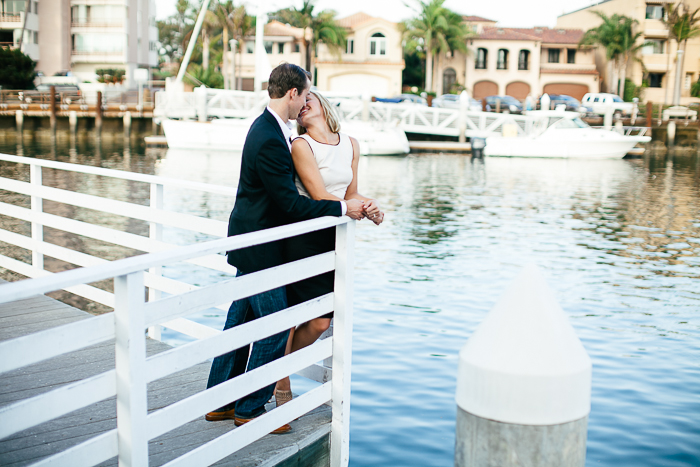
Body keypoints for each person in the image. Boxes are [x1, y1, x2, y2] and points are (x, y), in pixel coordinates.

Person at [204, 64, 365, 434]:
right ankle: (249, 407)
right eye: (304, 95)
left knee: (239, 323)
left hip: (255, 241)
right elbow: (291, 205)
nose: (305, 102)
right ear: (292, 93)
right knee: (275, 328)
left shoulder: (270, 129)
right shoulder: (271, 138)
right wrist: (343, 208)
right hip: (261, 247)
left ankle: (219, 402)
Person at [273, 90, 385, 406]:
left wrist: (370, 204)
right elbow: (319, 195)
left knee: (323, 319)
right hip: (304, 237)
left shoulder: (351, 144)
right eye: (301, 101)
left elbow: (351, 192)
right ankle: (280, 378)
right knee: (293, 316)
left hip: (334, 239)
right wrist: (357, 208)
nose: (305, 102)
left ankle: (273, 365)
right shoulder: (301, 145)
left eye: (311, 97)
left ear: (324, 105)